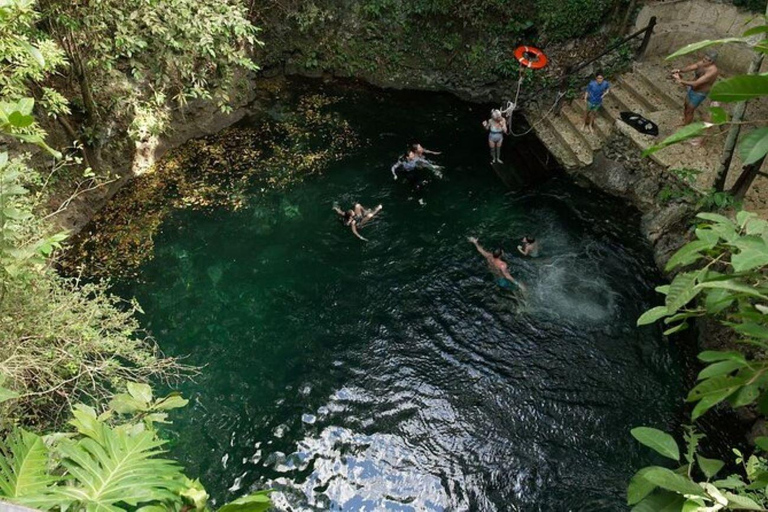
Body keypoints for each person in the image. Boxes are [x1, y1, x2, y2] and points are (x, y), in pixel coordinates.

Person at [671, 49, 719, 126]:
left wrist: (680, 81)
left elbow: (696, 83)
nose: (704, 60)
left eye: (707, 60)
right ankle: (685, 121)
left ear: (712, 62)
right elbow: (691, 67)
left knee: (690, 110)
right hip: (692, 89)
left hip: (699, 93)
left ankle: (686, 126)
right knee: (686, 105)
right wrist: (680, 70)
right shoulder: (702, 63)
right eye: (704, 58)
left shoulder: (712, 71)